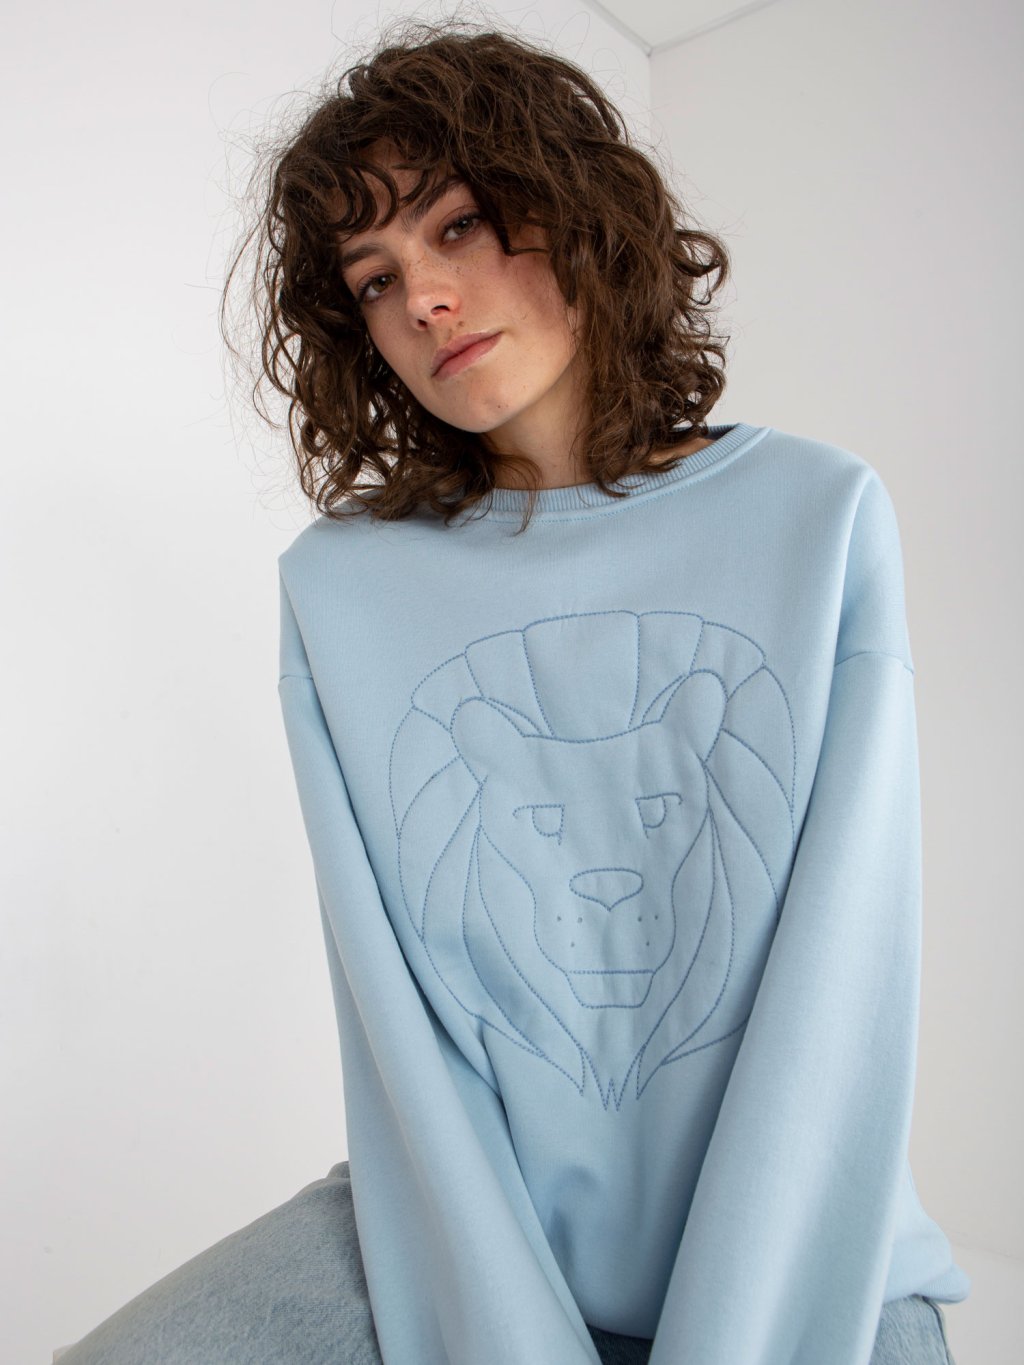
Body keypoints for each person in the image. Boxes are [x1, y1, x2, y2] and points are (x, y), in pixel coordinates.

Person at [58, 14, 969, 1365]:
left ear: (576, 215)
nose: (422, 298)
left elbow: (844, 982)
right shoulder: (340, 590)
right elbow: (399, 1025)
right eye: (374, 277)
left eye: (460, 226)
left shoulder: (815, 515)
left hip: (799, 1229)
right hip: (460, 1218)